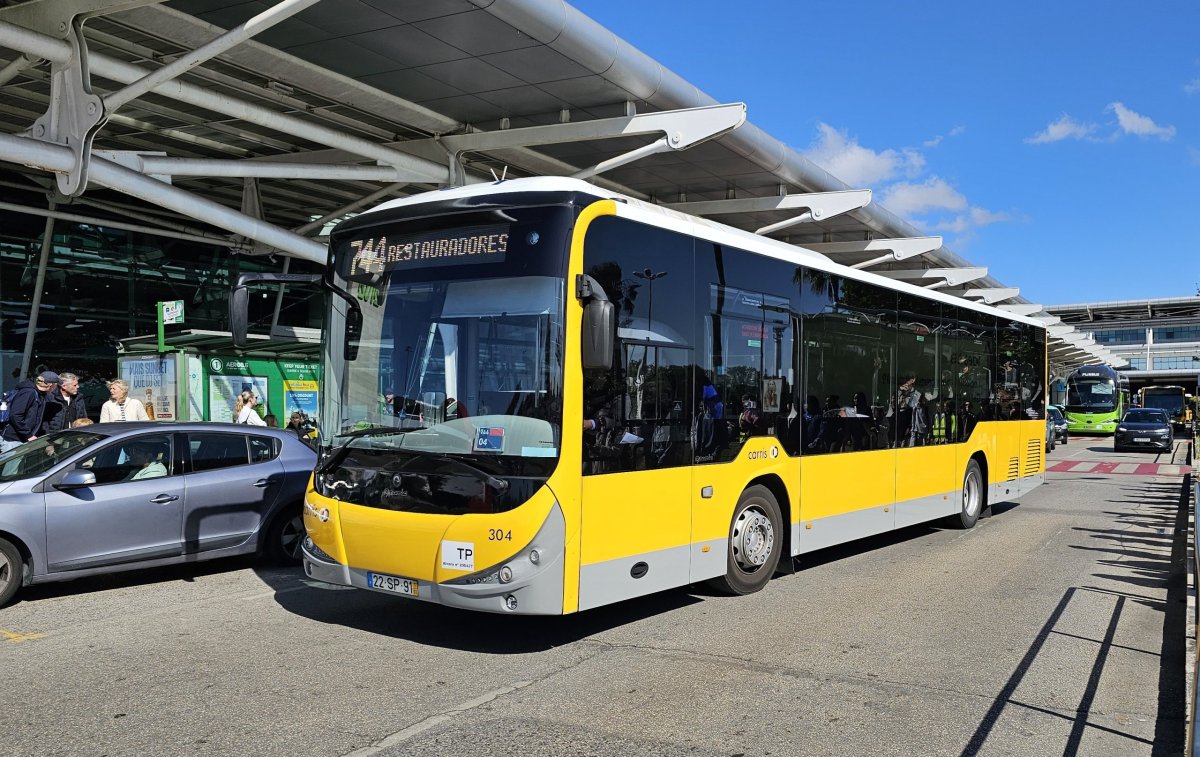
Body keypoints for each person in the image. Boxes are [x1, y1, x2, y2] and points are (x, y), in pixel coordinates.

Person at [1, 370, 59, 452]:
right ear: (50, 385)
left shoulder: (39, 394)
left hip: (20, 439)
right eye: (56, 386)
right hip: (13, 439)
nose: (55, 389)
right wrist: (28, 434)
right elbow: (15, 415)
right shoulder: (29, 392)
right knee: (12, 465)